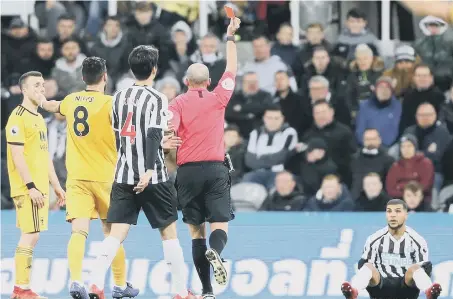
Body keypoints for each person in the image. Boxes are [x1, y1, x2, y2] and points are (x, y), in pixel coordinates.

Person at [86, 46, 192, 299]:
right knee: (169, 233)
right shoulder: (157, 98)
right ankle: (180, 292)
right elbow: (155, 133)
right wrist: (147, 168)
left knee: (115, 235)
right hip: (152, 175)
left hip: (123, 175)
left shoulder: (118, 97)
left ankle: (95, 283)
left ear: (132, 69)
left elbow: (119, 131)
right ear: (154, 69)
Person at [40, 57, 138, 299]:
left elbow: (52, 106)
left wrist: (38, 98)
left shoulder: (72, 100)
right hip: (106, 178)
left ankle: (75, 280)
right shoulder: (111, 103)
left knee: (78, 232)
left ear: (83, 78)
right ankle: (119, 284)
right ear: (105, 77)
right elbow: (130, 133)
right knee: (112, 234)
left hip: (77, 179)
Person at [169, 17, 241, 299]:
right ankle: (218, 251)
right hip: (215, 169)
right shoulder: (218, 97)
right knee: (219, 226)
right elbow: (232, 68)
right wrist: (230, 37)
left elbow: (169, 127)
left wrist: (167, 140)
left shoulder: (177, 102)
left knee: (195, 233)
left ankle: (207, 291)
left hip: (187, 173)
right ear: (209, 81)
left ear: (186, 82)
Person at [6, 71, 65, 299]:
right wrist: (30, 186)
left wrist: (56, 186)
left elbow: (44, 155)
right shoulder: (17, 117)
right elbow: (17, 155)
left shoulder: (39, 118)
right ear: (24, 90)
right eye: (36, 85)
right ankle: (21, 289)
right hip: (28, 187)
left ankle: (21, 288)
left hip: (40, 186)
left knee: (34, 234)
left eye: (42, 85)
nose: (41, 89)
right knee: (30, 234)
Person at [341, 199, 442, 299]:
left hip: (406, 289)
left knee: (415, 268)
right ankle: (353, 292)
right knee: (368, 266)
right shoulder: (374, 239)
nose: (392, 215)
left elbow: (425, 269)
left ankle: (429, 292)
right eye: (389, 211)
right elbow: (362, 266)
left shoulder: (417, 241)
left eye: (397, 211)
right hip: (380, 288)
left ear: (406, 215)